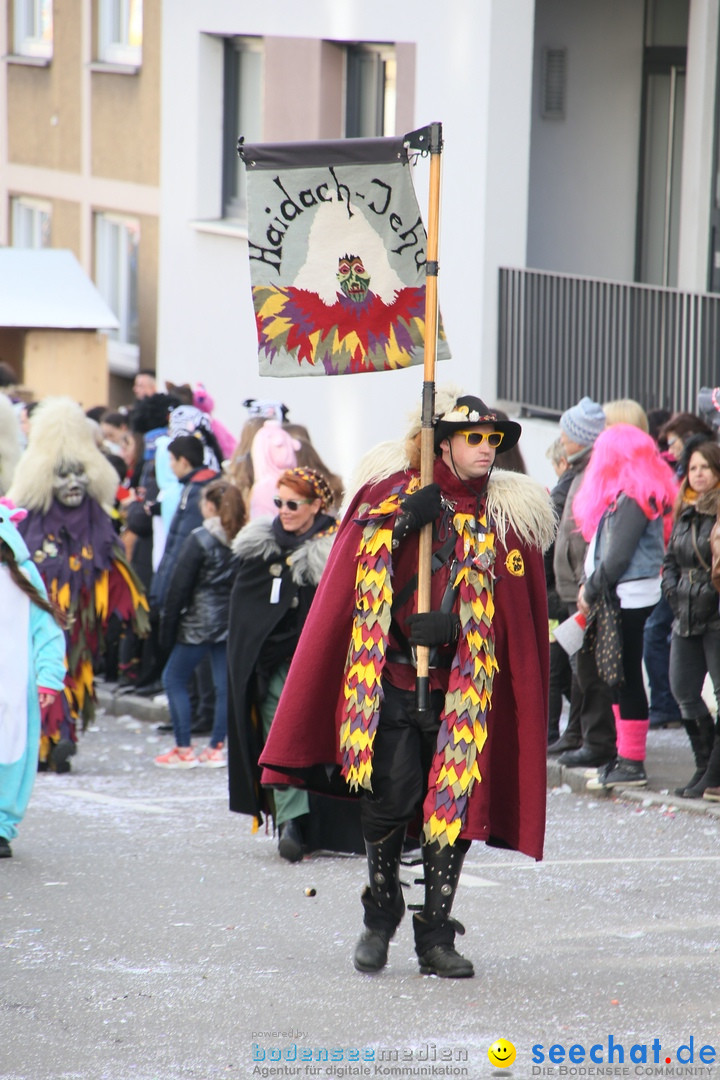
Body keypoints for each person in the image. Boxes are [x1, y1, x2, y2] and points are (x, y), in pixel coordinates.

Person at [258, 395, 555, 977]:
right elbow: (352, 579)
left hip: (464, 691)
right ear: (442, 442)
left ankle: (435, 935)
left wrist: (462, 624)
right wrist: (398, 529)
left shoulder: (506, 518)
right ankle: (380, 913)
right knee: (388, 803)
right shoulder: (388, 494)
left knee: (453, 812)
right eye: (475, 439)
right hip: (390, 679)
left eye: (494, 440)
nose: (487, 450)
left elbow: (515, 617)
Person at [7, 397, 150, 770]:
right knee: (41, 673)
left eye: (78, 473)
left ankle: (61, 738)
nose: (72, 483)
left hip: (80, 617)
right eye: (62, 474)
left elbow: (115, 563)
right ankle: (45, 742)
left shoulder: (96, 516)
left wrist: (128, 608)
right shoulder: (31, 519)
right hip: (40, 615)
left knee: (73, 672)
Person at [227, 466, 348, 862]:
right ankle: (292, 821)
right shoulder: (259, 548)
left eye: (293, 503)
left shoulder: (339, 548)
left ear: (316, 505)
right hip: (273, 668)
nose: (284, 510)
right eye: (278, 502)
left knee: (329, 737)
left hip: (323, 666)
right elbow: (245, 613)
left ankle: (330, 824)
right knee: (280, 730)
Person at [572, 424, 676, 789]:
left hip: (629, 597)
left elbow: (616, 558)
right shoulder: (630, 494)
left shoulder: (632, 497)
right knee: (620, 677)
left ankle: (632, 763)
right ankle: (624, 757)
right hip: (623, 596)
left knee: (627, 677)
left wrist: (591, 589)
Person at [155, 478, 246, 769]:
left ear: (209, 506)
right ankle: (216, 748)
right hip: (231, 620)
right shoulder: (245, 539)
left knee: (174, 678)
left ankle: (183, 749)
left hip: (197, 621)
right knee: (224, 686)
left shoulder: (199, 538)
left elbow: (178, 586)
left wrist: (166, 624)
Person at [0, 499, 66, 857]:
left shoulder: (23, 575)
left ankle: (1, 825)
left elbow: (48, 629)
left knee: (11, 751)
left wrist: (49, 677)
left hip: (14, 685)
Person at [549, 396, 611, 763]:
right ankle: (582, 736)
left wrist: (582, 581)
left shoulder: (592, 473)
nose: (562, 439)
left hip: (583, 588)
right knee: (579, 665)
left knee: (587, 669)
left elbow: (588, 533)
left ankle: (594, 742)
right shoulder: (578, 469)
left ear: (582, 437)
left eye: (567, 433)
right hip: (573, 587)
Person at [661, 442, 720, 798]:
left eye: (705, 467)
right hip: (683, 612)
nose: (697, 474)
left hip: (714, 615)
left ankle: (714, 775)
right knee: (683, 689)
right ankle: (704, 768)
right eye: (693, 467)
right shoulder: (686, 509)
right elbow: (670, 559)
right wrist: (672, 590)